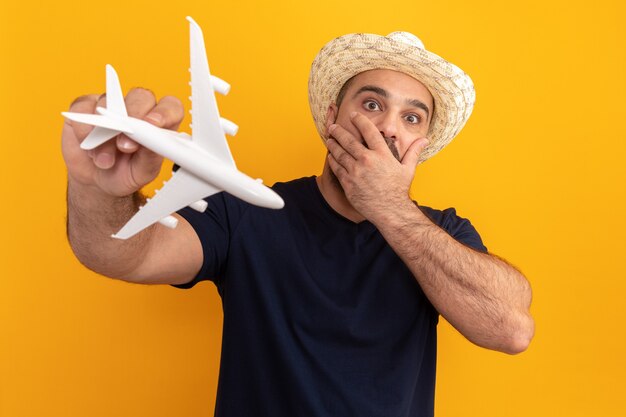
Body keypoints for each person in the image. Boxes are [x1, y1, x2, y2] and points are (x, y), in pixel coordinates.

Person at [62, 30, 534, 417]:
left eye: (412, 117)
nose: (389, 127)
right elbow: (121, 253)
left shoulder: (443, 236)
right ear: (332, 118)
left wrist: (390, 209)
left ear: (421, 144)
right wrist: (99, 188)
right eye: (372, 105)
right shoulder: (246, 213)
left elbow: (511, 329)